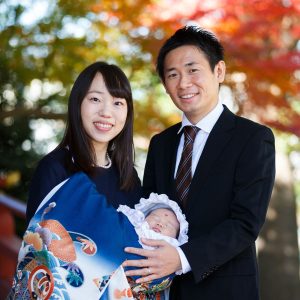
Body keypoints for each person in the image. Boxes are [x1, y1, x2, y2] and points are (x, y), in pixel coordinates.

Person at [123, 26, 276, 300]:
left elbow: (245, 223)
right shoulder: (161, 143)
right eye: (173, 75)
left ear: (219, 72)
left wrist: (182, 258)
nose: (183, 83)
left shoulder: (253, 138)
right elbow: (148, 210)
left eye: (193, 70)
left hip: (226, 290)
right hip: (163, 290)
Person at [25, 61, 142, 224]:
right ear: (77, 104)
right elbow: (37, 243)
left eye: (118, 103)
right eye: (95, 99)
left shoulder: (128, 175)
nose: (106, 112)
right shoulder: (55, 168)